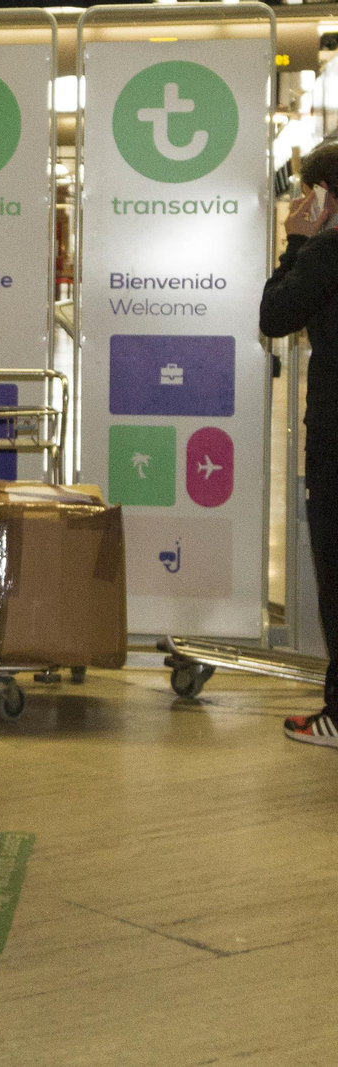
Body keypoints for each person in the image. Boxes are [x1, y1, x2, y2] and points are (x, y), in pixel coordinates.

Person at [262, 142, 338, 750]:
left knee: (335, 574)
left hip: (336, 439)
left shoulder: (326, 253)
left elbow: (275, 313)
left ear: (323, 197)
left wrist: (296, 243)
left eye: (308, 192)